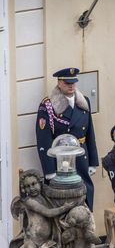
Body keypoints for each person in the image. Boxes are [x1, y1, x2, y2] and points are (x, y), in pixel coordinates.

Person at [36, 68, 98, 210]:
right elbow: (44, 140)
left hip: (81, 157)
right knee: (63, 202)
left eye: (74, 82)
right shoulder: (48, 106)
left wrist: (92, 162)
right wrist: (49, 170)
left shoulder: (84, 101)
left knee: (85, 198)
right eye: (67, 82)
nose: (71, 86)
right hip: (60, 162)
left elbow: (89, 133)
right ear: (59, 83)